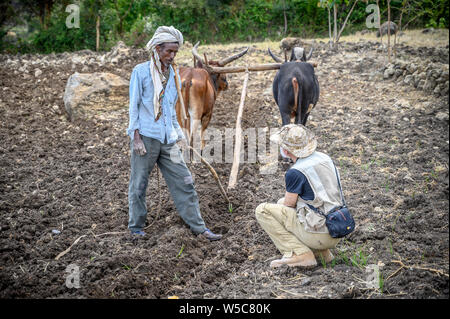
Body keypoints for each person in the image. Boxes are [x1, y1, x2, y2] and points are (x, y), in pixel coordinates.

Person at [127, 26, 222, 241]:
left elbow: (170, 109)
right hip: (147, 138)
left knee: (185, 181)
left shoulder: (173, 75)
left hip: (168, 139)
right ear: (157, 49)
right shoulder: (140, 72)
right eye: (169, 51)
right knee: (139, 184)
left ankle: (199, 228)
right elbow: (133, 107)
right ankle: (136, 228)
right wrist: (135, 137)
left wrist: (179, 136)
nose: (172, 56)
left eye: (175, 52)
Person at [255, 124, 343, 268]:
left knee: (263, 210)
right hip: (337, 225)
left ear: (285, 149)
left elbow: (289, 204)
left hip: (320, 232)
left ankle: (299, 254)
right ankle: (321, 252)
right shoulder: (324, 158)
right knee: (281, 202)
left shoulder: (296, 172)